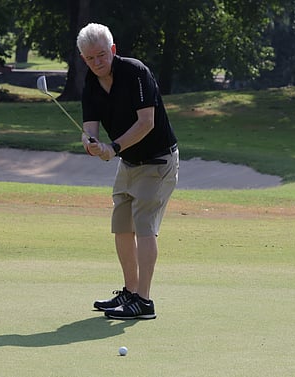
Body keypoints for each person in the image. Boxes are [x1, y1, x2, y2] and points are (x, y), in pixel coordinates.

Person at [77, 23, 178, 320]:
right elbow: (89, 131)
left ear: (113, 50)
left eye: (101, 55)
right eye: (90, 58)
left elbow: (146, 123)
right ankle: (130, 292)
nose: (97, 63)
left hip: (157, 161)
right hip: (129, 163)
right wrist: (92, 145)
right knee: (122, 225)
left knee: (144, 226)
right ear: (83, 59)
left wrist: (114, 147)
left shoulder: (135, 72)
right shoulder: (91, 83)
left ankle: (144, 302)